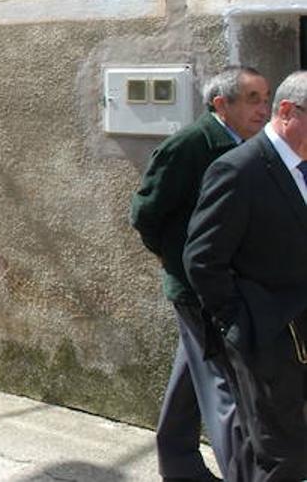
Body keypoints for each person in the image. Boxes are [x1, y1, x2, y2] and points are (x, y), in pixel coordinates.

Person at [131, 66, 268, 481]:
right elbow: (145, 213)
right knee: (225, 388)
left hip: (224, 280)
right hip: (198, 287)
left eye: (265, 98)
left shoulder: (247, 143)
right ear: (220, 104)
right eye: (252, 99)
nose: (262, 109)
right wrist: (174, 261)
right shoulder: (191, 145)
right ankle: (241, 474)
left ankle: (177, 463)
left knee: (191, 375)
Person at [186, 70, 307, 480]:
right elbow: (203, 259)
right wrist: (240, 325)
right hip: (266, 339)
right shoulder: (239, 170)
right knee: (280, 454)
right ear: (288, 112)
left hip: (300, 336)